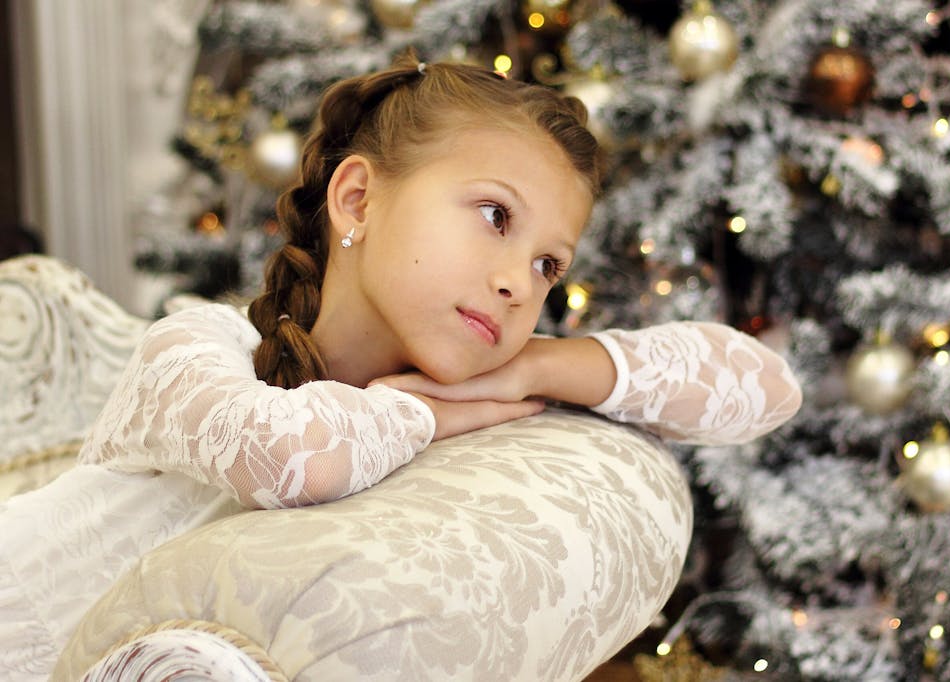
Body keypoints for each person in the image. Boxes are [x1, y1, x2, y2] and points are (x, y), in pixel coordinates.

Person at [0, 55, 802, 678]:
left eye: (550, 266)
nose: (518, 281)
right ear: (357, 200)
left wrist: (539, 368)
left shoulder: (485, 379)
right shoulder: (193, 348)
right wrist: (429, 411)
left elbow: (766, 387)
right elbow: (286, 456)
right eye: (495, 217)